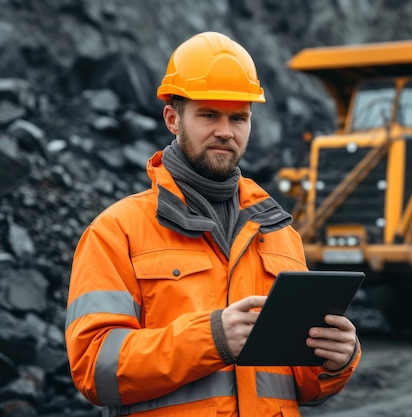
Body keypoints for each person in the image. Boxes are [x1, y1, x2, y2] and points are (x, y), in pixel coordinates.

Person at [65, 31, 361, 417]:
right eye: (209, 115)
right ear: (173, 118)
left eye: (238, 117)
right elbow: (93, 368)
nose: (226, 131)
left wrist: (334, 361)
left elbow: (298, 384)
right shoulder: (116, 232)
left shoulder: (280, 234)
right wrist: (211, 338)